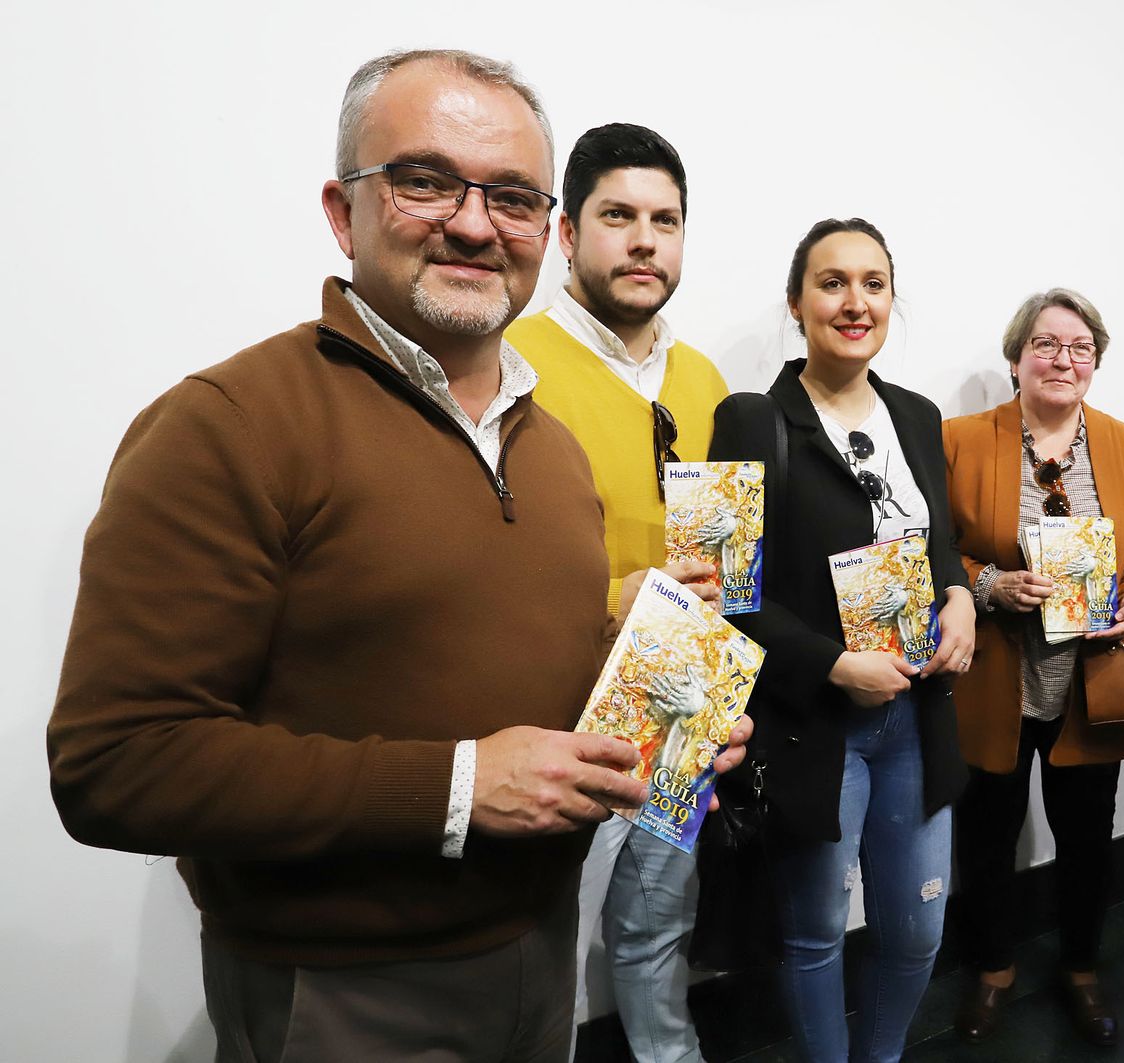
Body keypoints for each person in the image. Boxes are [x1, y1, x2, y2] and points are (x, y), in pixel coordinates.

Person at [45, 50, 748, 1063]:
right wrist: (459, 788)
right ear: (343, 210)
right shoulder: (229, 425)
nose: (471, 222)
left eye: (509, 195)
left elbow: (498, 657)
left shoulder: (550, 447)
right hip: (340, 993)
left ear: (541, 233)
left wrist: (661, 704)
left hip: (541, 957)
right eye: (424, 179)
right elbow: (114, 765)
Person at [707, 218, 975, 1063]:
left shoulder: (920, 417)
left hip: (916, 717)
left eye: (873, 282)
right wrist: (834, 662)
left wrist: (962, 594)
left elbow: (937, 543)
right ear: (797, 302)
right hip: (811, 724)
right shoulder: (752, 418)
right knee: (817, 932)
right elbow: (722, 594)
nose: (855, 301)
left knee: (918, 930)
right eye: (832, 282)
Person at [505, 122, 727, 1063]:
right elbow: (487, 562)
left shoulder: (707, 378)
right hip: (553, 706)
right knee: (538, 952)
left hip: (682, 692)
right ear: (567, 234)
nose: (645, 240)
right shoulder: (512, 363)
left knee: (655, 931)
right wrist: (612, 592)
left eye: (665, 220)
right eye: (618, 216)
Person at [942, 288, 1124, 1047]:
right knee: (986, 836)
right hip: (995, 677)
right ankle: (993, 968)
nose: (1063, 359)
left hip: (1093, 682)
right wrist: (990, 585)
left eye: (1080, 347)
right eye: (1046, 343)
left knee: (1087, 838)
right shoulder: (960, 439)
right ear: (1016, 359)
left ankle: (1080, 966)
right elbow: (936, 551)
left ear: (1095, 364)